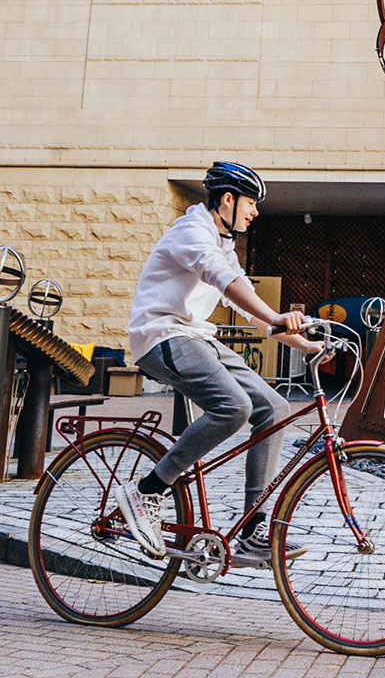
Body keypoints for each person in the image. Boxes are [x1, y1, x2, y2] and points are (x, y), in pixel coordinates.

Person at [113, 160, 319, 568]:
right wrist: (278, 317)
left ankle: (251, 529)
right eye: (251, 203)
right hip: (162, 336)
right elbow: (224, 279)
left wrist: (310, 347)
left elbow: (256, 317)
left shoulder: (223, 244)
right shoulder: (191, 233)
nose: (255, 212)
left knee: (275, 409)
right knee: (234, 407)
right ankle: (147, 491)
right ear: (228, 199)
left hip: (197, 338)